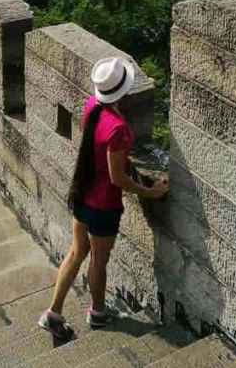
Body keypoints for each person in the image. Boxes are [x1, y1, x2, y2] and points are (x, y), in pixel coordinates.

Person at [38, 56, 168, 341]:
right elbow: (117, 178)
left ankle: (53, 313)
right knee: (98, 259)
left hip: (81, 193)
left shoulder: (90, 107)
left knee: (75, 252)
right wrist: (152, 191)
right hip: (103, 206)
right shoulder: (118, 129)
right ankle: (97, 313)